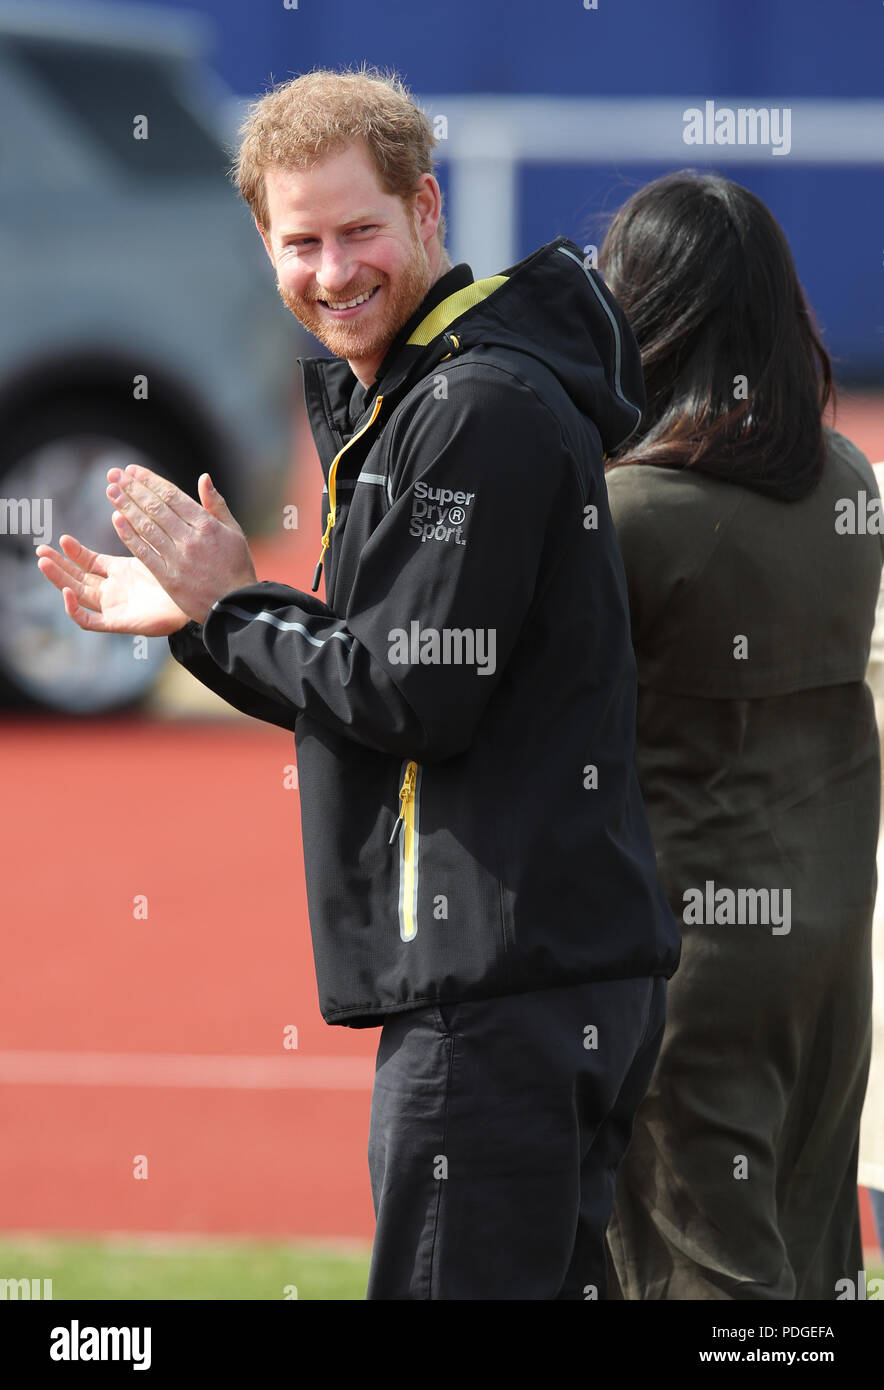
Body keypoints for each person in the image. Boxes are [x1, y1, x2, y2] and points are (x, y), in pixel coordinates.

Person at [35, 66, 680, 1300]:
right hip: (541, 979)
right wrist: (210, 617)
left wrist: (228, 603)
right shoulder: (436, 393)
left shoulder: (475, 404)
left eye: (358, 231)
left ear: (427, 210)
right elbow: (376, 667)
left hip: (495, 998)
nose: (330, 272)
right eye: (299, 243)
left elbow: (406, 692)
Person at [597, 170, 883, 1300]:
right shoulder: (845, 482)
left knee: (700, 1277)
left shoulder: (627, 515)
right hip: (825, 940)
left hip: (687, 957)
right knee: (803, 1267)